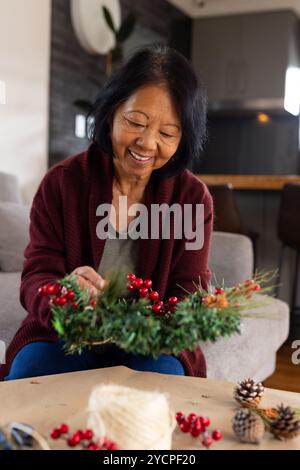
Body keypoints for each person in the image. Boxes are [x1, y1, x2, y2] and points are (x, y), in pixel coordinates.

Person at [0, 44, 213, 381]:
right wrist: (64, 295)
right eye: (135, 122)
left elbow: (188, 291)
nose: (146, 143)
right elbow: (36, 277)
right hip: (65, 334)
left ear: (183, 139)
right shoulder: (62, 184)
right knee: (29, 378)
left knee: (164, 384)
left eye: (167, 133)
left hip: (151, 341)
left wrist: (155, 325)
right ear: (112, 112)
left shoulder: (191, 199)